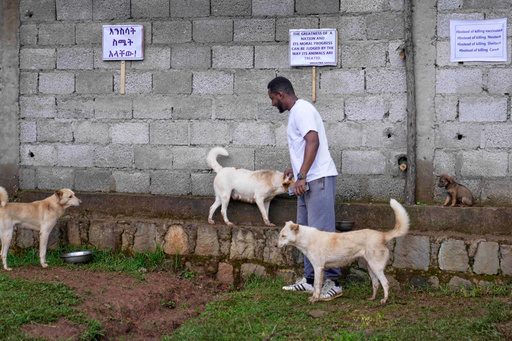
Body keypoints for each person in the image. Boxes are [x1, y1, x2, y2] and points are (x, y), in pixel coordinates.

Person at [267, 76, 342, 301]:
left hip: (316, 179)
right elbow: (304, 145)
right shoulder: (296, 113)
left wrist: (302, 175)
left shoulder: (303, 109)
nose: (272, 104)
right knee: (305, 233)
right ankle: (310, 280)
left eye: (272, 98)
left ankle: (333, 282)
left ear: (281, 95)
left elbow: (313, 141)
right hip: (306, 180)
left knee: (322, 234)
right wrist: (295, 169)